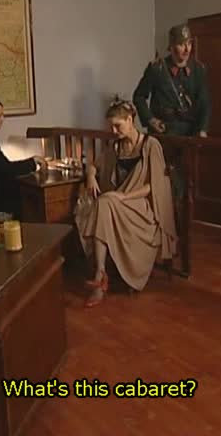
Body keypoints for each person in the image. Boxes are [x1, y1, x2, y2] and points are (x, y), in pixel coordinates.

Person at [75, 99, 177, 308]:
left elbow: (153, 186)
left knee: (105, 202)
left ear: (130, 120)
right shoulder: (116, 146)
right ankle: (100, 274)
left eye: (117, 126)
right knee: (102, 204)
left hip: (142, 204)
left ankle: (100, 278)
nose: (113, 131)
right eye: (111, 127)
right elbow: (94, 165)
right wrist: (91, 176)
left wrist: (124, 197)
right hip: (117, 202)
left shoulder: (150, 145)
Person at [133, 23, 211, 137]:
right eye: (181, 44)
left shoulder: (197, 69)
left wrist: (202, 129)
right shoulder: (157, 68)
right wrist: (150, 120)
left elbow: (204, 103)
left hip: (190, 132)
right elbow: (139, 96)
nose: (187, 49)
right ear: (172, 47)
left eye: (189, 44)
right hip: (163, 132)